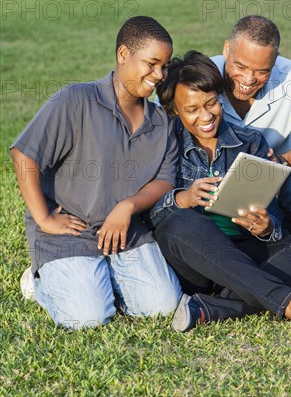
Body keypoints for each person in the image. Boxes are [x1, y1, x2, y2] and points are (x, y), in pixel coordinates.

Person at [148, 51, 291, 331]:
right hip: (192, 263)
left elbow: (272, 213)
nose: (206, 116)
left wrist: (266, 227)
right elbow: (148, 215)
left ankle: (213, 308)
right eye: (192, 110)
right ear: (175, 111)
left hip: (244, 251)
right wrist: (183, 199)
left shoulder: (250, 142)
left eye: (211, 103)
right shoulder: (164, 146)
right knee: (179, 222)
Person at [11, 16, 182, 330]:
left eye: (165, 65)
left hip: (125, 232)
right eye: (152, 63)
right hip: (71, 233)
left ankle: (96, 277)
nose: (159, 75)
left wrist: (127, 206)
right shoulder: (76, 100)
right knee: (88, 317)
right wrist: (45, 219)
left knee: (162, 306)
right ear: (122, 55)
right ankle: (41, 281)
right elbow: (24, 155)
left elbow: (166, 179)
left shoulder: (163, 122)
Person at [210, 15, 291, 228]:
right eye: (240, 66)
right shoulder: (198, 76)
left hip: (277, 177)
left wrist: (281, 162)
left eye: (262, 71)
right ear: (227, 49)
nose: (248, 79)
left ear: (275, 59)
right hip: (208, 176)